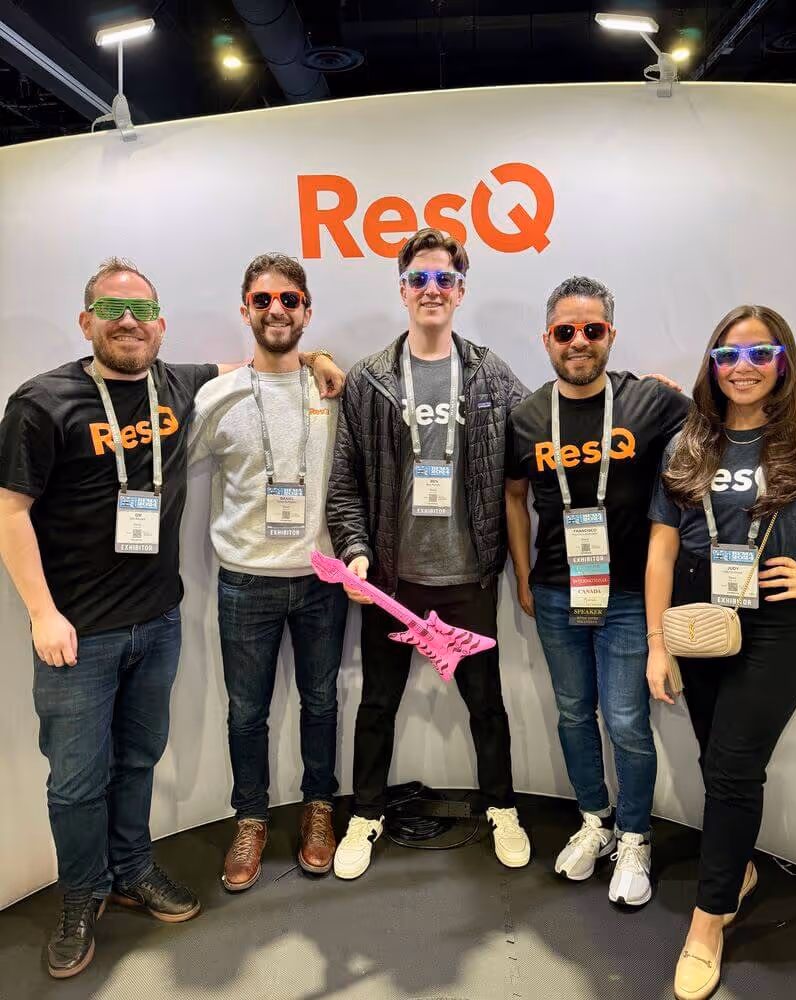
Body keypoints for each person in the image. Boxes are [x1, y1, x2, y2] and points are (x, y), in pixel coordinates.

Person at [0, 258, 343, 979]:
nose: (127, 322)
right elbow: (10, 510)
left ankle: (131, 869)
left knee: (138, 760)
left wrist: (315, 356)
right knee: (75, 779)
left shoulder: (180, 385)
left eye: (141, 311)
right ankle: (80, 897)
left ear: (161, 325)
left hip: (156, 619)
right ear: (85, 321)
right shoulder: (43, 401)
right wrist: (41, 612)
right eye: (111, 309)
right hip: (77, 629)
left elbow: (267, 357)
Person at [504, 277, 796, 909]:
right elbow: (514, 495)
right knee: (574, 714)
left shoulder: (653, 403)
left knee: (627, 721)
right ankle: (594, 821)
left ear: (610, 334)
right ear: (546, 338)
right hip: (557, 591)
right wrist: (523, 574)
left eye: (592, 329)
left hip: (633, 596)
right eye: (565, 331)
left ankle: (635, 837)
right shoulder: (525, 416)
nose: (578, 341)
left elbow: (740, 409)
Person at [646, 305, 796, 1000]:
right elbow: (661, 547)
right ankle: (739, 870)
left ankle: (707, 923)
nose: (743, 367)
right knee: (717, 763)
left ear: (783, 363)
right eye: (728, 355)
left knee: (733, 768)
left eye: (760, 354)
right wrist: (657, 643)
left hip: (773, 631)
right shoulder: (688, 443)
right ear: (712, 364)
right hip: (696, 622)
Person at [326, 228, 531, 879]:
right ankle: (365, 814)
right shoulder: (371, 379)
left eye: (445, 279)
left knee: (487, 704)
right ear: (403, 290)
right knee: (377, 705)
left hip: (468, 577)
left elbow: (546, 428)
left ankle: (502, 807)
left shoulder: (491, 373)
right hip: (392, 580)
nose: (432, 289)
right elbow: (345, 482)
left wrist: (637, 388)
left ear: (461, 291)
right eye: (420, 279)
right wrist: (355, 552)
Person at [188, 254, 347, 890]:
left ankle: (318, 808)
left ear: (307, 311)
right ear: (246, 310)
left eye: (289, 299)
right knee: (245, 713)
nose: (276, 309)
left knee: (320, 702)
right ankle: (250, 818)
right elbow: (172, 471)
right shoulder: (217, 397)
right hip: (244, 582)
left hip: (321, 581)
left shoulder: (333, 390)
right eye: (263, 300)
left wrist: (321, 358)